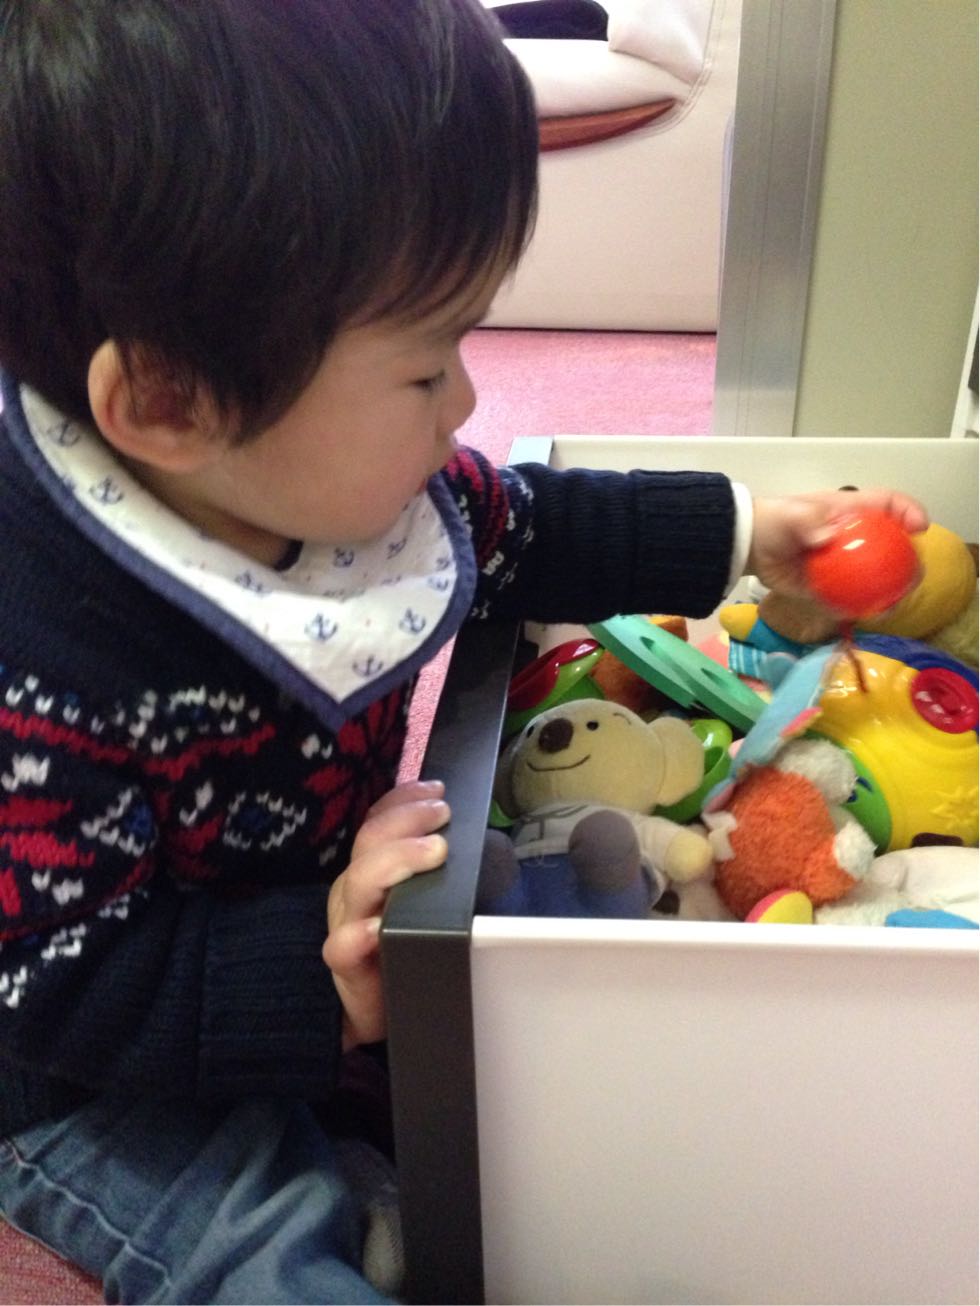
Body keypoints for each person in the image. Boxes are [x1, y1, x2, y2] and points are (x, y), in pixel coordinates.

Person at [0, 2, 927, 1302]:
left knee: (529, 1098)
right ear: (168, 402)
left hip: (333, 926)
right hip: (96, 1075)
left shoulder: (335, 478)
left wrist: (743, 533)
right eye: (426, 367)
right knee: (260, 1235)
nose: (471, 400)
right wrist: (312, 982)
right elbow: (58, 982)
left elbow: (528, 527)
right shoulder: (44, 675)